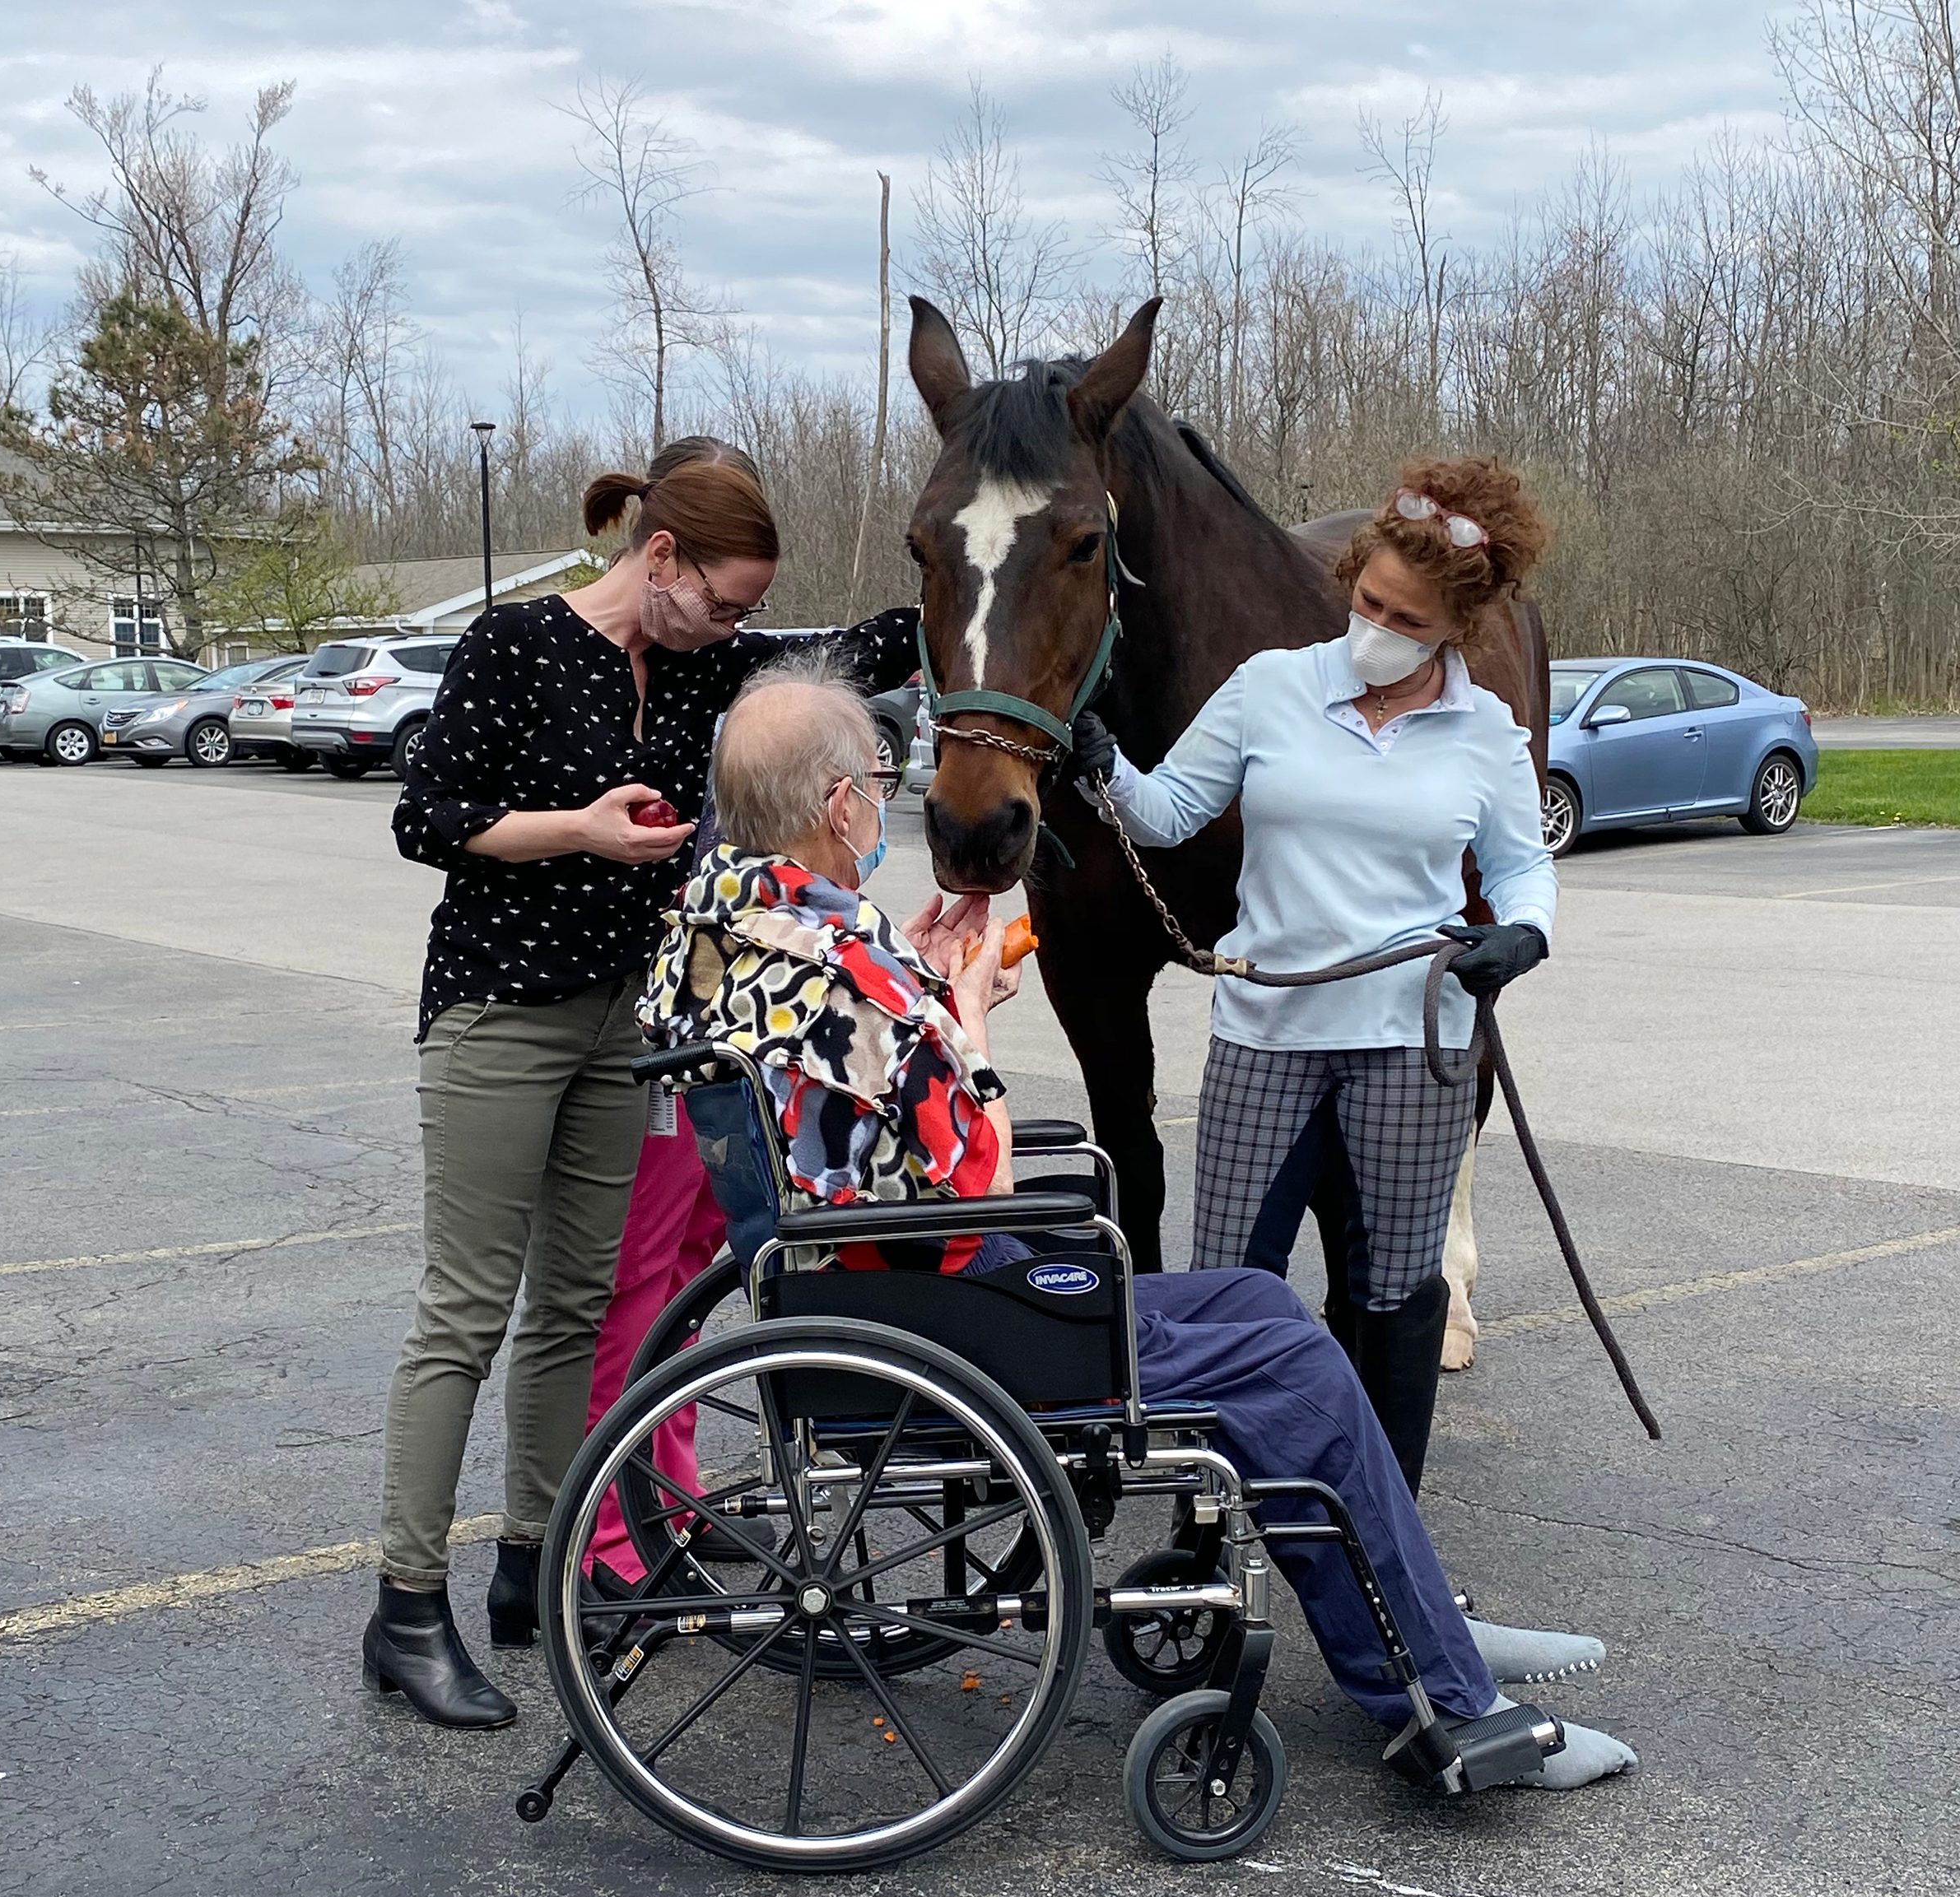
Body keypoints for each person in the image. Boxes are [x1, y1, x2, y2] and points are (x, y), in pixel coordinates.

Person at [639, 651, 1636, 1787]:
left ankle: (1423, 1626)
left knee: (1259, 1300)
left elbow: (831, 1081)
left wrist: (912, 976)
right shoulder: (845, 971)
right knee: (1293, 1368)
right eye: (879, 776)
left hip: (856, 1282)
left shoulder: (727, 923)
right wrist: (962, 1017)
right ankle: (1441, 1694)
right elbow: (974, 1168)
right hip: (937, 1307)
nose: (888, 796)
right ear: (835, 804)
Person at [364, 440, 917, 1729]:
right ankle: (403, 1608)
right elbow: (429, 817)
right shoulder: (514, 645)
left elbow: (853, 651)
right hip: (501, 1014)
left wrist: (970, 572)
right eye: (722, 599)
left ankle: (535, 1569)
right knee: (466, 1314)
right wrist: (584, 831)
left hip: (629, 1025)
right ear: (657, 558)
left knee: (574, 1307)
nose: (734, 626)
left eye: (744, 612)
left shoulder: (699, 661)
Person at [1068, 457, 1556, 1498]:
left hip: (1411, 1044)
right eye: (1367, 599)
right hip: (1267, 1041)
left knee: (1393, 1294)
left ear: (1453, 631)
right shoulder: (1270, 688)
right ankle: (1216, 1513)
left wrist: (1525, 932)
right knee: (1231, 1288)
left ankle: (1383, 1516)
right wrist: (1104, 763)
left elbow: (1522, 867)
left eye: (1405, 620)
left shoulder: (1486, 736)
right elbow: (1166, 816)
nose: (1374, 626)